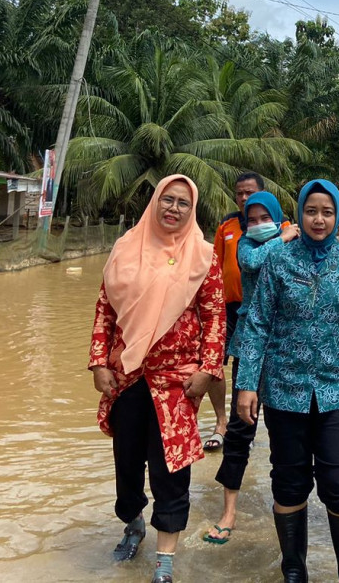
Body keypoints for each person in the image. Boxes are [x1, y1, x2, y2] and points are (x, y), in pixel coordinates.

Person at [233, 179, 339, 583]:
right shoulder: (278, 261)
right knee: (289, 482)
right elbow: (257, 325)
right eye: (311, 211)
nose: (318, 219)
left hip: (338, 387)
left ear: (337, 216)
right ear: (299, 214)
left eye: (326, 211)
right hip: (285, 388)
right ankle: (293, 569)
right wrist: (247, 383)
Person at [87, 175, 225, 583]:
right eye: (168, 200)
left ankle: (165, 561)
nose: (174, 209)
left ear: (193, 209)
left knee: (171, 469)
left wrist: (207, 369)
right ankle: (132, 522)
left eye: (184, 203)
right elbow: (104, 310)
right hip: (127, 377)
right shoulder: (125, 248)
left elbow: (216, 317)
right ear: (155, 202)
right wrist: (98, 363)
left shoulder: (202, 255)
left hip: (178, 381)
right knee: (127, 463)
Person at [204, 190, 298, 545]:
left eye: (264, 218)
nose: (258, 225)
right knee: (241, 428)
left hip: (288, 345)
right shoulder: (245, 245)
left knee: (284, 429)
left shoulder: (296, 244)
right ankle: (228, 510)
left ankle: (285, 506)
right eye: (251, 220)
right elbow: (252, 264)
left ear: (277, 216)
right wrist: (283, 237)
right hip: (248, 341)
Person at [205, 172, 264, 452]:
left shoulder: (280, 226)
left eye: (250, 192)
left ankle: (245, 431)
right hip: (226, 308)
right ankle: (220, 422)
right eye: (239, 193)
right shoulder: (227, 226)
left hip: (260, 312)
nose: (243, 198)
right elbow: (215, 266)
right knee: (212, 363)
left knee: (248, 370)